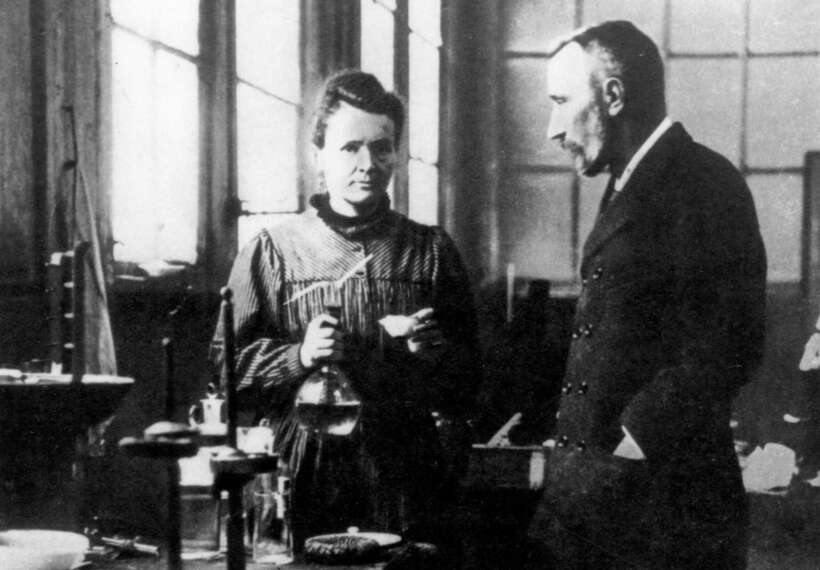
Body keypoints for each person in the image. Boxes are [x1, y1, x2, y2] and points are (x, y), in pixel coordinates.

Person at [527, 21, 767, 568]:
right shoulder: (629, 181)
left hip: (663, 511)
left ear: (613, 96)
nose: (551, 128)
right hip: (605, 504)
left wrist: (629, 442)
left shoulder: (705, 182)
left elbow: (730, 343)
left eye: (562, 102)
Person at [210, 70, 479, 555]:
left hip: (406, 480)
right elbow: (225, 371)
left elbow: (470, 382)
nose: (368, 164)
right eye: (349, 147)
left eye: (382, 147)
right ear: (318, 156)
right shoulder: (272, 252)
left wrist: (434, 353)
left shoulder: (431, 251)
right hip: (302, 477)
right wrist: (299, 356)